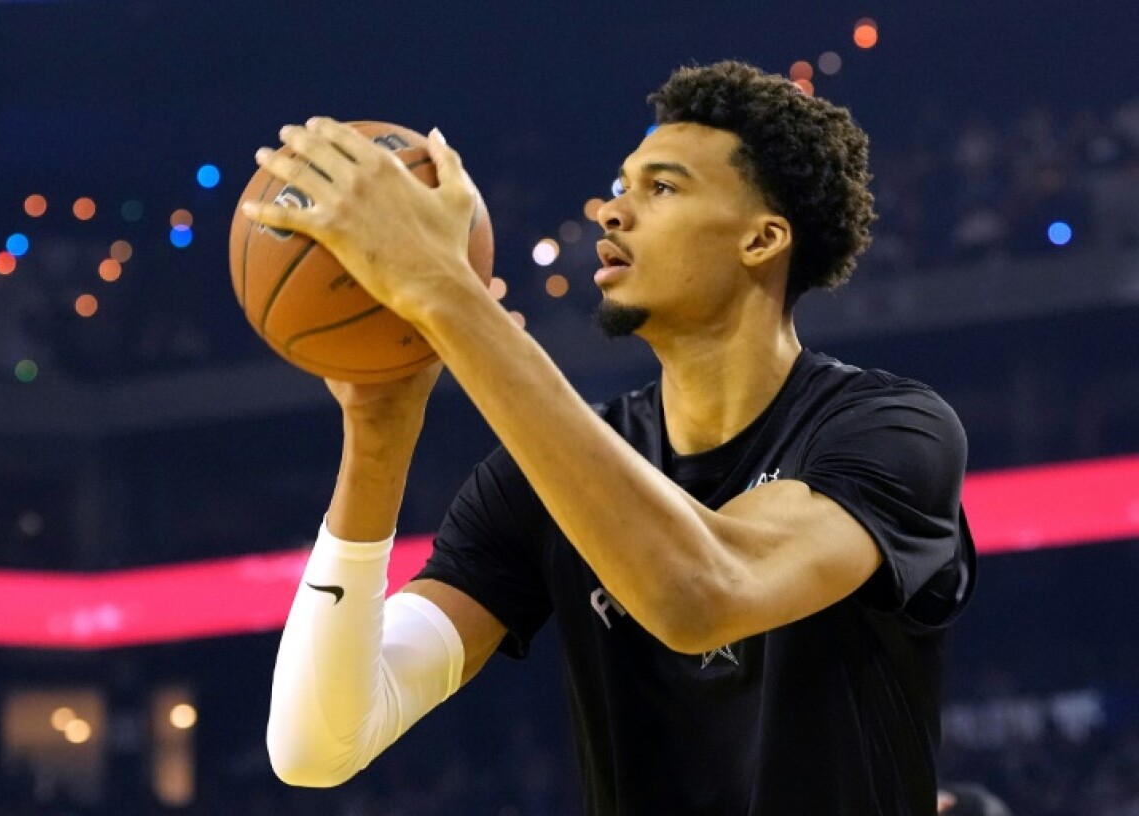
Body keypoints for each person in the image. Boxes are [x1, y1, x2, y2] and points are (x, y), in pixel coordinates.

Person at [244, 59, 976, 815]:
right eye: (622, 185)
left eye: (661, 188)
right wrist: (376, 429)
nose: (612, 212)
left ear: (761, 240)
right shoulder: (539, 478)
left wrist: (444, 291)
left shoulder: (893, 432)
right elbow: (315, 746)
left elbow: (704, 593)